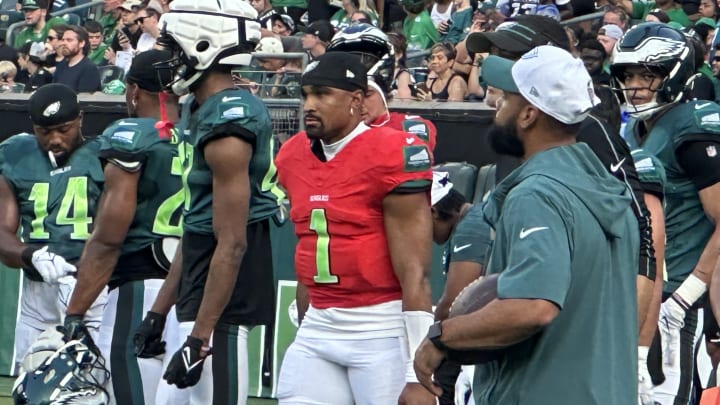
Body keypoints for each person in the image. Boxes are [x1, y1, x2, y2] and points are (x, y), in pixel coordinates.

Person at [414, 45, 639, 404]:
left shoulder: (537, 194)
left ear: (528, 115)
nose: (496, 108)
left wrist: (443, 336)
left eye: (505, 100)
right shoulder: (607, 188)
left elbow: (533, 306)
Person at [466, 22, 659, 405]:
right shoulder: (528, 150)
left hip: (559, 369)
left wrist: (632, 351)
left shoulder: (583, 139)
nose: (496, 66)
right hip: (542, 365)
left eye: (509, 56)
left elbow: (644, 241)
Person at [137, 1, 280, 403]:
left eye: (172, 48)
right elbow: (197, 228)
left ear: (203, 43)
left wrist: (200, 339)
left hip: (223, 303)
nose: (165, 59)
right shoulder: (202, 109)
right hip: (201, 289)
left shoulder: (229, 120)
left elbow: (231, 242)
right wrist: (158, 312)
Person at [275, 51, 436, 405]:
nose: (310, 105)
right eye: (305, 95)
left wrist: (417, 373)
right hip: (319, 325)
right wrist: (306, 324)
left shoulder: (392, 152)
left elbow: (415, 273)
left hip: (380, 329)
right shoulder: (291, 155)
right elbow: (309, 250)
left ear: (356, 101)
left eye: (322, 94)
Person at [61, 49, 185, 405]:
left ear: (133, 90)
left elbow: (108, 239)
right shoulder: (199, 134)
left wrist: (75, 311)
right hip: (194, 292)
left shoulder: (131, 134)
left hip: (141, 287)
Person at [611, 22, 720, 405]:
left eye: (648, 74)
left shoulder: (693, 124)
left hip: (677, 295)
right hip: (636, 290)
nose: (635, 84)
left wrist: (687, 296)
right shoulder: (633, 131)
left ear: (674, 76)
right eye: (628, 74)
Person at [0, 83, 106, 371]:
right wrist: (31, 254)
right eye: (44, 132)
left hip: (96, 290)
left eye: (64, 128)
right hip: (39, 293)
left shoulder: (104, 154)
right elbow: (2, 233)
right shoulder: (16, 154)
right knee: (33, 385)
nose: (55, 139)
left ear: (81, 120)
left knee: (94, 384)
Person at [428, 171, 493, 405]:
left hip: (484, 341)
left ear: (433, 211)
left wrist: (425, 342)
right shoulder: (469, 221)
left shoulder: (471, 227)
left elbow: (454, 302)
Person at [325, 23, 438, 150]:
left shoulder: (410, 126)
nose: (358, 104)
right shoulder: (327, 131)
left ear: (383, 91)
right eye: (347, 97)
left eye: (367, 95)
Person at [53, 25, 101, 93]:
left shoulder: (89, 69)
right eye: (63, 40)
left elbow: (84, 100)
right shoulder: (61, 66)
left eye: (69, 40)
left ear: (81, 43)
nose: (64, 43)